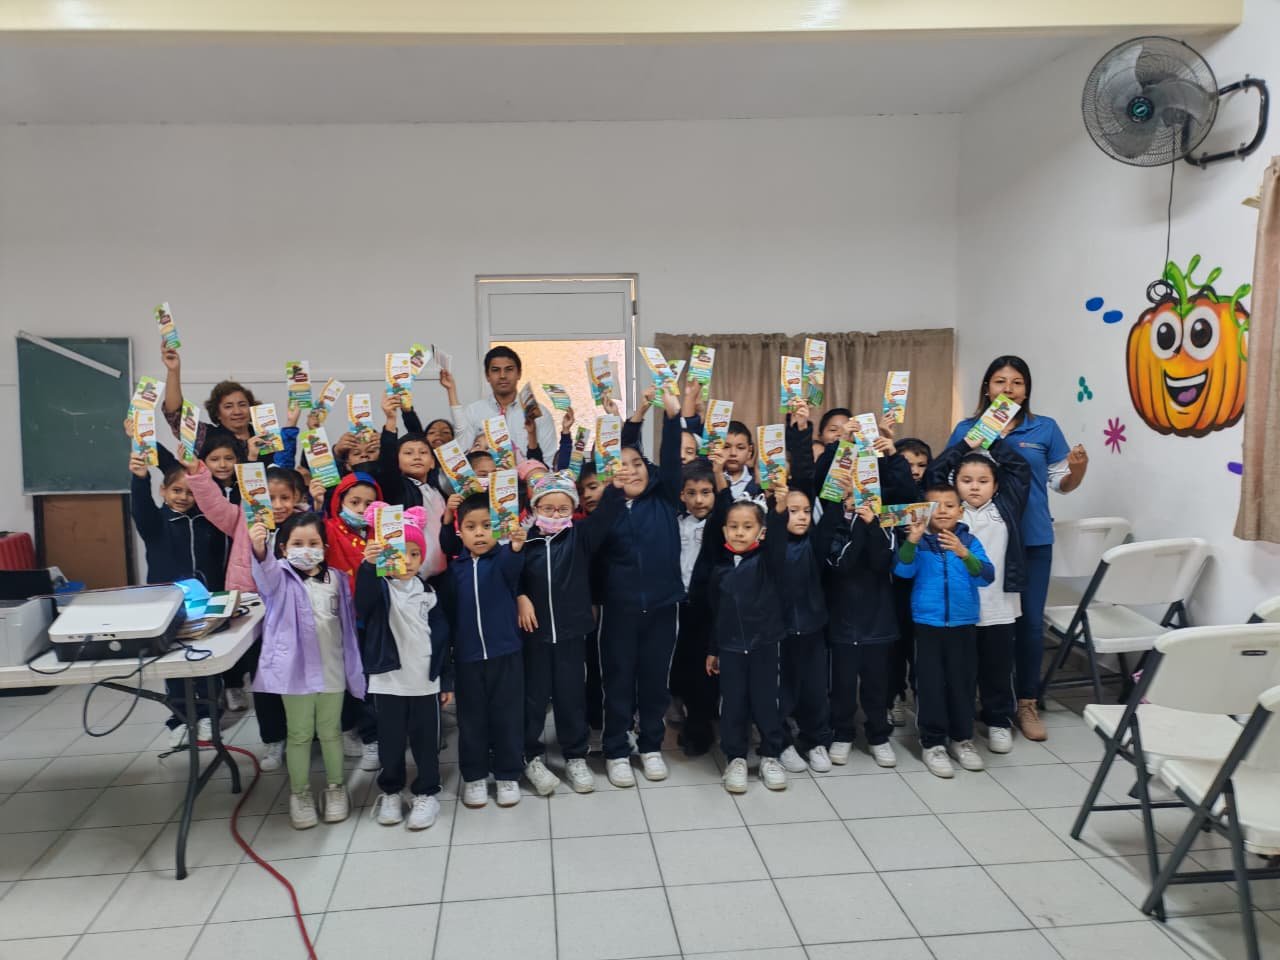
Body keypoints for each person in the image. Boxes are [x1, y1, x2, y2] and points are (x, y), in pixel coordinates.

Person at [947, 356, 1088, 742]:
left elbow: (1060, 483)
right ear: (986, 388)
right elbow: (949, 477)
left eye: (1017, 383)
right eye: (999, 381)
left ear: (1026, 391)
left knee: (1028, 625)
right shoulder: (967, 429)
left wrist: (1077, 469)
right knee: (978, 621)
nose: (1008, 389)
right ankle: (980, 699)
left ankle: (1026, 702)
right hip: (978, 543)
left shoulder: (1044, 428)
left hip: (1032, 540)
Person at [185, 456, 305, 770]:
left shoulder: (304, 523)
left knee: (299, 678)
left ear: (296, 497)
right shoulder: (241, 519)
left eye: (285, 497)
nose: (277, 505)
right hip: (255, 613)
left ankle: (307, 735)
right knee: (263, 679)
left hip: (294, 614)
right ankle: (274, 740)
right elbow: (212, 504)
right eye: (270, 497)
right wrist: (197, 472)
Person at [250, 513, 366, 829]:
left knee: (331, 732)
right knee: (299, 734)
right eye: (298, 543)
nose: (306, 549)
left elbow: (346, 624)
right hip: (294, 674)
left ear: (325, 547)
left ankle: (336, 788)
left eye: (313, 543)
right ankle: (299, 793)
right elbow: (263, 573)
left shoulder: (336, 579)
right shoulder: (278, 577)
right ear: (283, 548)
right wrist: (259, 549)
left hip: (332, 668)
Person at [595, 390, 685, 787]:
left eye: (638, 465)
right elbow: (591, 543)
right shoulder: (609, 509)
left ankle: (650, 746)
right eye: (622, 466)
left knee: (654, 681)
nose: (631, 471)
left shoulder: (664, 499)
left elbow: (670, 456)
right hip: (620, 610)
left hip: (663, 607)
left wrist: (668, 414)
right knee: (617, 680)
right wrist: (631, 419)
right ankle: (616, 748)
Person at [516, 471, 624, 795]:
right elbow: (509, 574)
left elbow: (606, 514)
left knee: (571, 697)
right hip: (533, 636)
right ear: (535, 508)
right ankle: (530, 756)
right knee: (533, 699)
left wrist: (615, 487)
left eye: (563, 508)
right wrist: (520, 597)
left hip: (571, 634)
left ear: (573, 509)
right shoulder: (524, 541)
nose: (555, 514)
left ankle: (575, 755)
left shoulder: (580, 537)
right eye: (548, 508)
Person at [927, 438, 1031, 754]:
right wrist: (965, 444)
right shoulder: (950, 513)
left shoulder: (1006, 507)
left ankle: (998, 720)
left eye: (983, 481)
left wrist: (992, 440)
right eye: (966, 480)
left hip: (999, 605)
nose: (974, 487)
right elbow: (934, 471)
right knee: (960, 671)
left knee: (997, 668)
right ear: (954, 484)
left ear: (996, 486)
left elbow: (1020, 469)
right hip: (960, 609)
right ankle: (960, 726)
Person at [356, 507, 452, 831]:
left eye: (415, 553)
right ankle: (391, 792)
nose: (408, 560)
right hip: (388, 682)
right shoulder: (381, 588)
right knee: (391, 742)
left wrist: (445, 679)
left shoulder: (429, 593)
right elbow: (363, 604)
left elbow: (442, 639)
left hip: (424, 682)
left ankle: (427, 792)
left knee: (427, 742)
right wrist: (369, 566)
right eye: (401, 552)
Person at [894, 484, 995, 779]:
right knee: (930, 684)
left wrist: (964, 553)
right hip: (927, 624)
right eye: (934, 506)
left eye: (949, 505)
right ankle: (933, 743)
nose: (942, 511)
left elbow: (986, 576)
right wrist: (912, 540)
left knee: (962, 683)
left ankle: (962, 739)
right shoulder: (919, 541)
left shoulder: (970, 541)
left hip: (963, 624)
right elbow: (902, 570)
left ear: (960, 512)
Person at [129, 455, 222, 748]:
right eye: (176, 490)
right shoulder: (156, 523)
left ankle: (209, 715)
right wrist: (140, 478)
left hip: (204, 602)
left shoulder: (207, 521)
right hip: (167, 606)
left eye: (190, 492)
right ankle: (180, 718)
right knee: (174, 664)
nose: (183, 497)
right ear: (163, 491)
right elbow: (141, 508)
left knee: (206, 659)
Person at [705, 480, 791, 793]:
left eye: (747, 527)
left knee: (766, 702)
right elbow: (716, 614)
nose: (739, 533)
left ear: (761, 532)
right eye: (733, 527)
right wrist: (714, 649)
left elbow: (779, 540)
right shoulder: (719, 570)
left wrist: (780, 510)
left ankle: (770, 755)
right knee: (733, 705)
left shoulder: (768, 562)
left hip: (764, 646)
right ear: (724, 530)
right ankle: (736, 758)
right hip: (730, 649)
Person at [441, 494, 527, 808]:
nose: (479, 533)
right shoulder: (454, 572)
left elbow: (514, 567)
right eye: (471, 526)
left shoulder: (503, 560)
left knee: (507, 717)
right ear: (460, 532)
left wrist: (515, 547)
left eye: (487, 526)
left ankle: (507, 774)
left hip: (506, 654)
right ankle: (475, 776)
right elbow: (448, 620)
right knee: (472, 721)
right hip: (468, 659)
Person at [670, 459, 719, 756]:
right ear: (682, 495)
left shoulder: (718, 524)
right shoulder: (677, 522)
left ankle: (700, 730)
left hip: (707, 607)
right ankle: (685, 713)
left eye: (705, 492)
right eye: (692, 493)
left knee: (705, 672)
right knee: (685, 668)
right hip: (680, 605)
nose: (699, 500)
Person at [445, 347, 557, 459]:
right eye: (495, 370)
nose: (502, 375)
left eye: (509, 369)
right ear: (487, 376)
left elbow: (548, 460)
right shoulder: (473, 412)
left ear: (519, 373)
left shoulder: (538, 414)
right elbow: (463, 454)